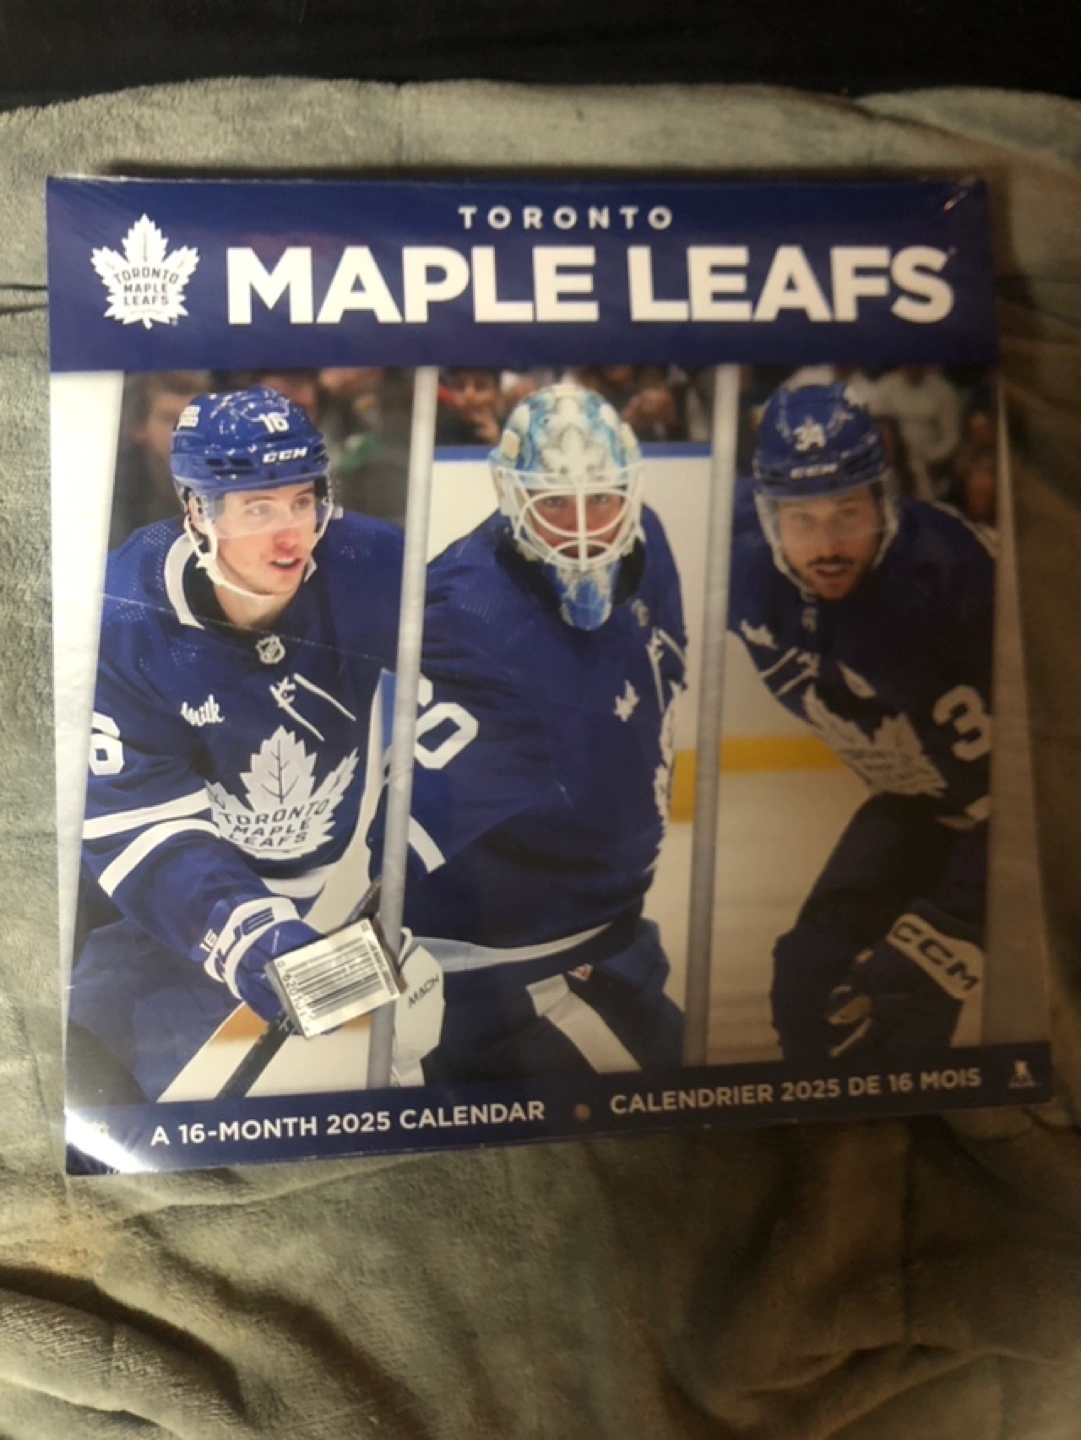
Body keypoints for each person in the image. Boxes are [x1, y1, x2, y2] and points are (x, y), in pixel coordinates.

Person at [69, 385, 404, 1103]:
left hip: (331, 900)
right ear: (197, 510)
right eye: (258, 509)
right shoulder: (125, 617)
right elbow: (141, 826)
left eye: (302, 500)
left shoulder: (369, 565)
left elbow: (482, 685)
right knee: (114, 1094)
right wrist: (251, 934)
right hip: (166, 933)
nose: (290, 536)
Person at [395, 381, 687, 1082]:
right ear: (510, 494)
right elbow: (392, 829)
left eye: (602, 498)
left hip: (608, 938)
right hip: (515, 983)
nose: (583, 529)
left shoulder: (648, 545)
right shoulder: (465, 622)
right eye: (554, 502)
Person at [729, 380, 995, 1063]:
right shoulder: (740, 560)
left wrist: (948, 930)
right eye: (802, 520)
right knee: (808, 980)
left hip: (1015, 821)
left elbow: (1025, 796)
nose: (827, 546)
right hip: (919, 804)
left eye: (848, 513)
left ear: (884, 500)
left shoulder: (949, 586)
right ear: (768, 517)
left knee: (900, 985)